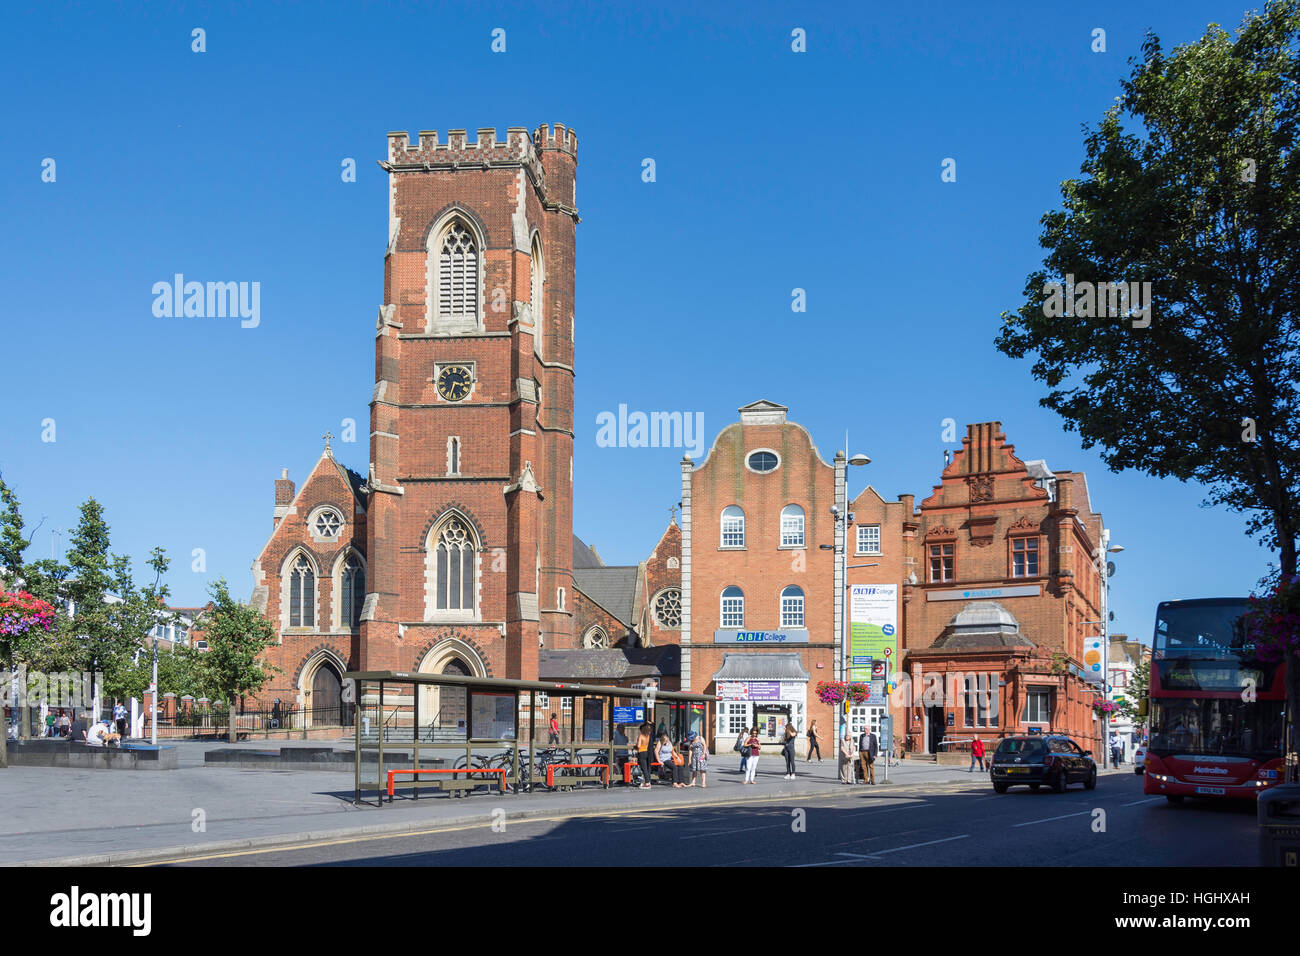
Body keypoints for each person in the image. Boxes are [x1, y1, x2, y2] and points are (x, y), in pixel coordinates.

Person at [635, 722, 653, 789]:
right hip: (646, 752)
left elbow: (639, 746)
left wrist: (635, 746)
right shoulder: (648, 736)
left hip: (641, 752)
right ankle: (648, 781)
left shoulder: (641, 736)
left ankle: (647, 783)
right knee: (646, 767)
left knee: (644, 768)